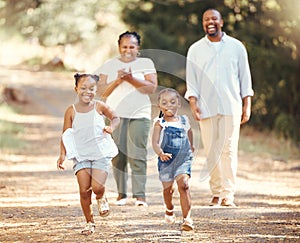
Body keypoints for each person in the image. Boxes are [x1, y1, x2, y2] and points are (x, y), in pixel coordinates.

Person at [185, 9, 254, 207]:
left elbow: (245, 78)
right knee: (211, 151)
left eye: (214, 18)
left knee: (229, 150)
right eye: (206, 19)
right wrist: (193, 103)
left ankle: (227, 194)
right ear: (203, 23)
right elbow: (192, 80)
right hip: (206, 107)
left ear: (221, 22)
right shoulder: (195, 49)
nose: (210, 22)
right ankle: (215, 193)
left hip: (231, 105)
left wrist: (246, 104)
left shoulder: (236, 47)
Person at [94, 31, 158, 206]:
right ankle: (122, 195)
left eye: (132, 46)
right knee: (118, 155)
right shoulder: (109, 65)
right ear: (119, 47)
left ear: (138, 48)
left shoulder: (145, 63)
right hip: (115, 115)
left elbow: (151, 87)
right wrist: (118, 80)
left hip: (140, 114)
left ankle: (140, 196)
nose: (128, 50)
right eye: (124, 46)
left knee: (137, 154)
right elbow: (102, 91)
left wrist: (131, 78)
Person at [57, 73, 120, 235]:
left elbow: (115, 117)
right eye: (83, 88)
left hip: (100, 153)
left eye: (91, 88)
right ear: (76, 89)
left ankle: (101, 196)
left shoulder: (99, 106)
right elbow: (66, 134)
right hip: (81, 154)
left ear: (96, 89)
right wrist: (62, 155)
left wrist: (111, 127)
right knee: (84, 189)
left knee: (97, 186)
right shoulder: (71, 111)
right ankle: (89, 223)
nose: (87, 92)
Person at [152, 88, 194, 231]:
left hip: (183, 159)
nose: (168, 105)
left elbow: (189, 132)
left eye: (172, 102)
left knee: (184, 185)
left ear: (179, 104)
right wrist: (160, 153)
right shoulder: (159, 122)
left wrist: (191, 146)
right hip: (166, 161)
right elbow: (155, 143)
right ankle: (169, 208)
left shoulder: (184, 120)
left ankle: (187, 219)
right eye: (164, 102)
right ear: (159, 106)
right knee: (168, 190)